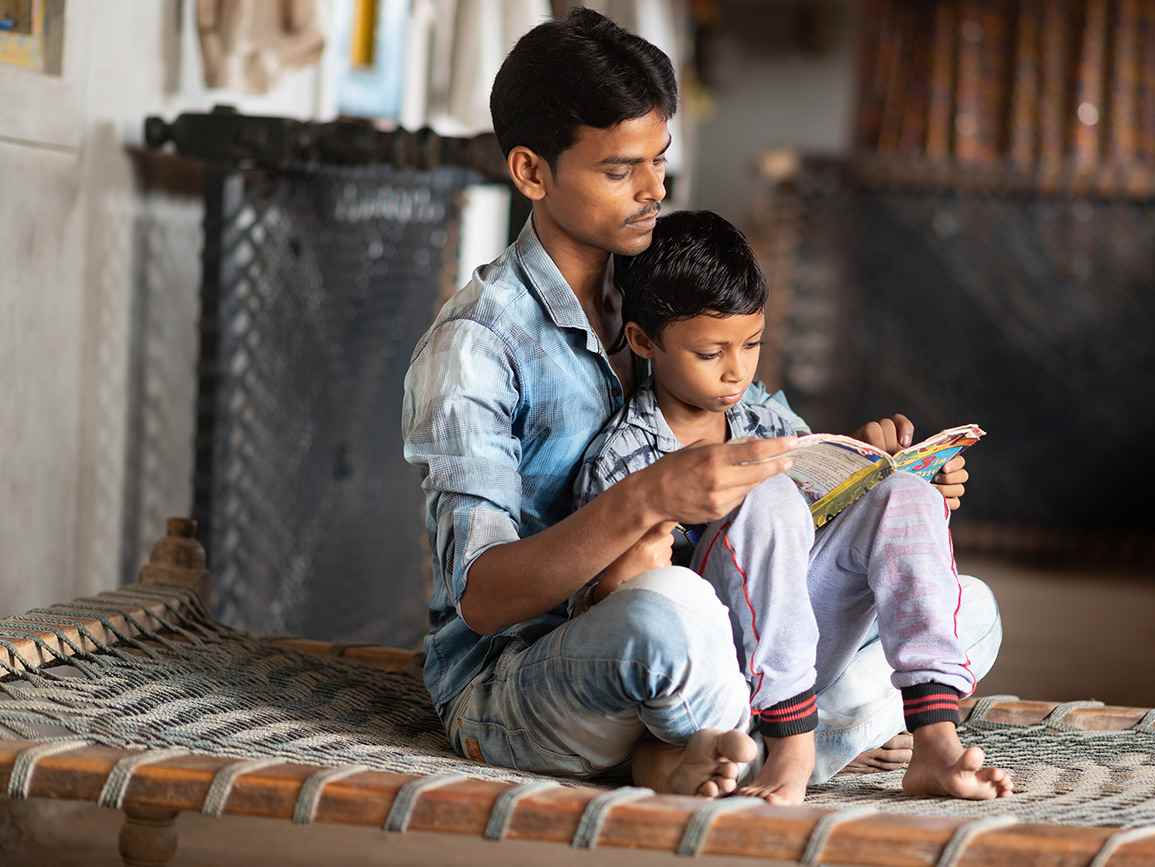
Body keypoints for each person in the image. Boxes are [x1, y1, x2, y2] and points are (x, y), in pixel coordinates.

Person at [402, 7, 994, 802]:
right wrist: (651, 496)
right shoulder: (476, 343)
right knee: (666, 613)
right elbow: (480, 599)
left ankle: (719, 744)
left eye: (661, 160)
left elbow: (765, 448)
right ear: (532, 173)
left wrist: (865, 481)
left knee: (965, 605)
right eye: (620, 170)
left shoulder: (663, 284)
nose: (655, 190)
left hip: (720, 637)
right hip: (539, 671)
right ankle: (774, 742)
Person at [568, 209, 1012, 802]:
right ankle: (801, 746)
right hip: (712, 674)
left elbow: (817, 528)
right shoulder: (623, 459)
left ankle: (933, 740)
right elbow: (616, 616)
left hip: (798, 651)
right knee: (768, 489)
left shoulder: (768, 419)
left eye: (751, 344)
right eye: (709, 354)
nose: (736, 370)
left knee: (914, 517)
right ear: (646, 341)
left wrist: (879, 479)